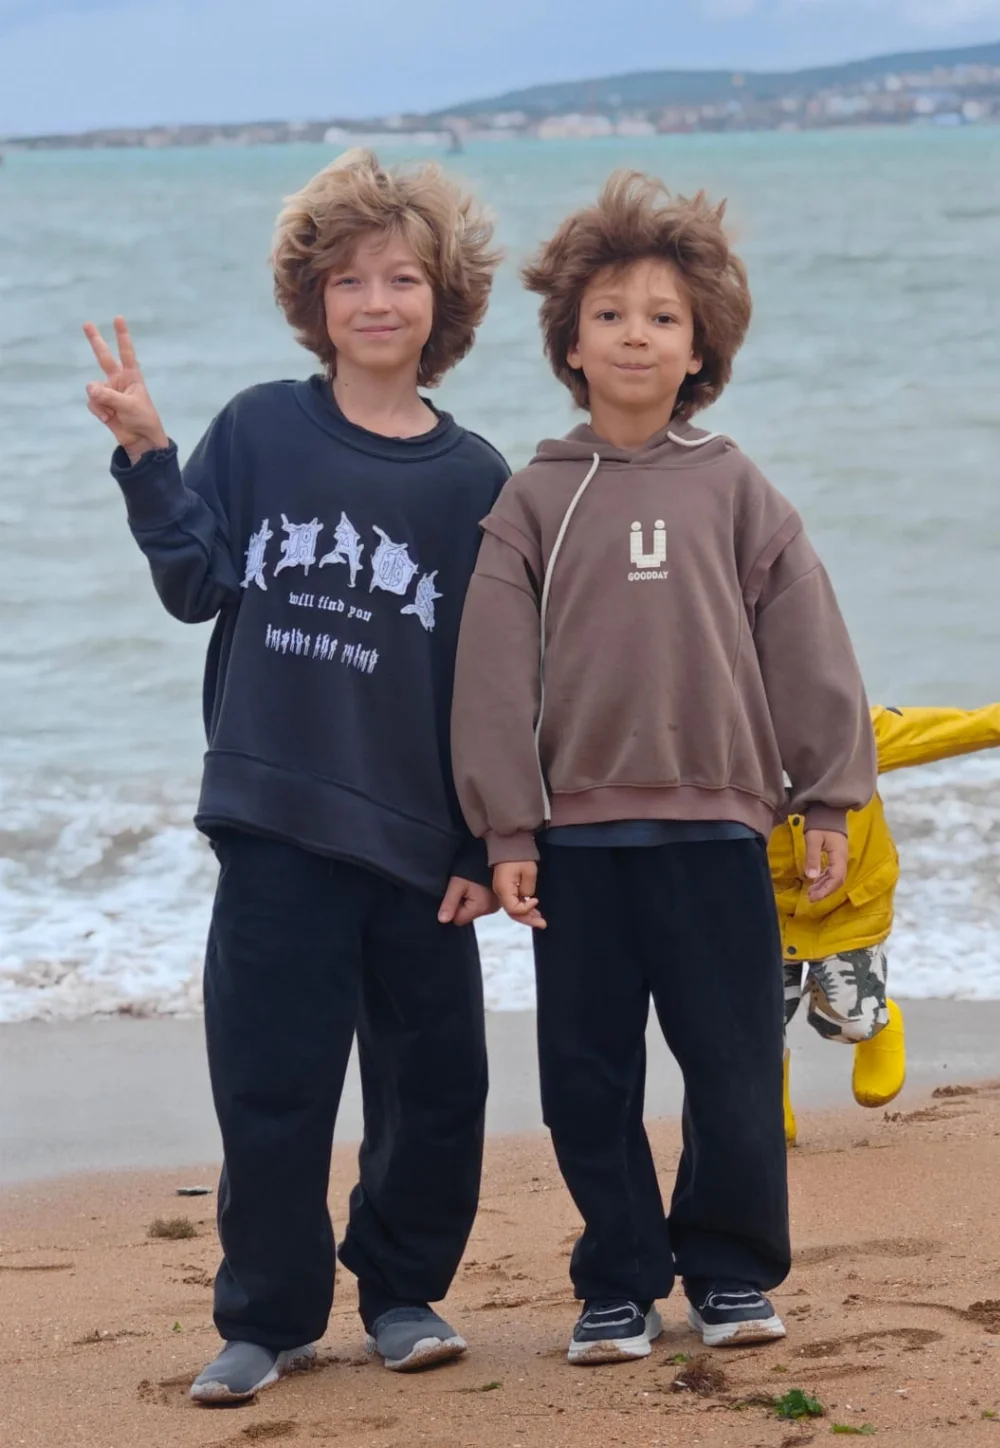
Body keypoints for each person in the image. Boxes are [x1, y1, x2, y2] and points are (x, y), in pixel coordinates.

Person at [82, 150, 507, 1404]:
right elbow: (196, 583)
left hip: (420, 842)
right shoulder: (262, 427)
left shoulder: (476, 480)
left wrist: (484, 841)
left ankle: (403, 1291)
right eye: (350, 279)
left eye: (403, 278)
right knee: (271, 1087)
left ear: (443, 300)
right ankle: (267, 1316)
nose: (376, 300)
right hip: (273, 819)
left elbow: (494, 684)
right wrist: (150, 456)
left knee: (438, 1088)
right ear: (313, 299)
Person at [451, 171, 876, 1364]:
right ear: (569, 344)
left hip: (718, 833)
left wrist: (828, 795)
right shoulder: (533, 498)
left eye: (662, 316)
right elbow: (492, 679)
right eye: (609, 314)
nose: (634, 333)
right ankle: (620, 1278)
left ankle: (729, 1270)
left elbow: (807, 645)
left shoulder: (736, 487)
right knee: (584, 1080)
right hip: (576, 844)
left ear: (700, 350)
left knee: (733, 1068)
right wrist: (507, 829)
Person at [778, 701, 1000, 1144]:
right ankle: (768, 1103)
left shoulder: (856, 733)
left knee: (847, 1020)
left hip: (847, 904)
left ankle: (878, 1018)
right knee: (748, 1021)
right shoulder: (721, 741)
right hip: (759, 906)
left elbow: (946, 730)